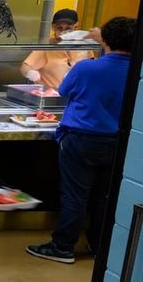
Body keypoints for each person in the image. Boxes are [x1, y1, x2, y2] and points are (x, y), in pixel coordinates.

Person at [27, 17, 137, 264]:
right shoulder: (136, 71)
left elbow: (64, 91)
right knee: (104, 196)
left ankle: (63, 246)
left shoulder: (87, 67)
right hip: (117, 141)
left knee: (74, 195)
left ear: (105, 40)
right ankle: (98, 246)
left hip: (80, 138)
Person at [19, 9, 96, 90]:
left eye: (68, 29)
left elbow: (91, 68)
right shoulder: (46, 48)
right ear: (53, 28)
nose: (63, 32)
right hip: (53, 94)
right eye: (59, 28)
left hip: (77, 93)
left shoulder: (83, 46)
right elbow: (25, 67)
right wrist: (30, 72)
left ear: (76, 27)